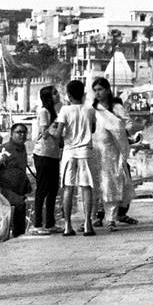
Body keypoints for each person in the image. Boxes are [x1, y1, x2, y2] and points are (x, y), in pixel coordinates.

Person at [89, 77, 134, 229]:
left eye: (100, 89)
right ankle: (97, 216)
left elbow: (128, 124)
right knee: (97, 184)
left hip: (112, 151)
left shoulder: (116, 107)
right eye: (95, 90)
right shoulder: (93, 109)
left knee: (112, 183)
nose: (97, 93)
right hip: (96, 150)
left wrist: (119, 130)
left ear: (107, 90)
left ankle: (112, 219)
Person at [57, 80, 97, 236]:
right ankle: (87, 223)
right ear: (83, 94)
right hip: (85, 152)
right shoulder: (90, 110)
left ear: (68, 95)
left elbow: (59, 133)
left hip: (69, 152)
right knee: (86, 187)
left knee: (68, 188)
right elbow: (92, 129)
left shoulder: (65, 110)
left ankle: (67, 225)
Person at [31, 86, 63, 234]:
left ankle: (50, 222)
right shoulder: (44, 112)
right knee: (42, 189)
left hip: (53, 154)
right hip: (43, 154)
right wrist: (57, 127)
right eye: (54, 93)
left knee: (53, 189)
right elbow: (44, 133)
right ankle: (37, 224)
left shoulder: (54, 112)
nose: (58, 95)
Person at [0, 122, 33, 239]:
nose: (22, 135)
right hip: (4, 188)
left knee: (20, 207)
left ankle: (18, 235)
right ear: (11, 134)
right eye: (18, 132)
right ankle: (17, 236)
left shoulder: (23, 148)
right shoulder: (4, 148)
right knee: (20, 204)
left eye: (24, 132)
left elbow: (21, 168)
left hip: (18, 188)